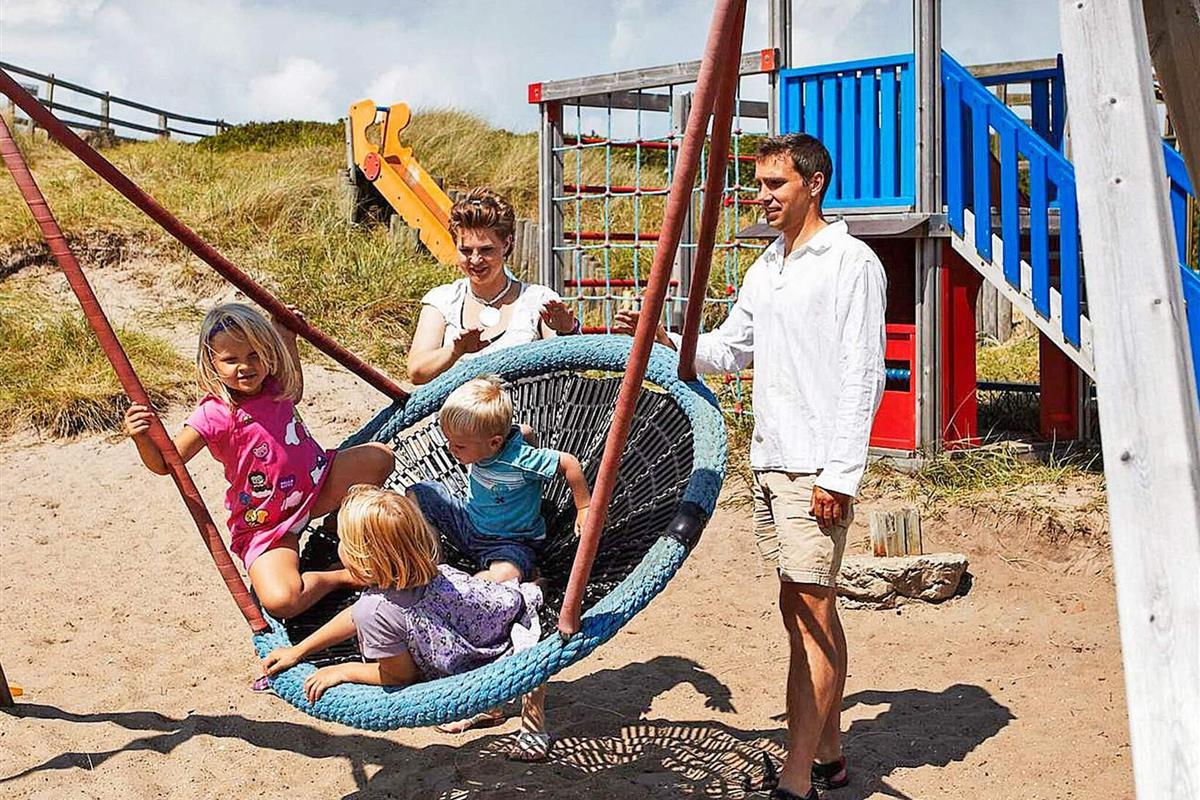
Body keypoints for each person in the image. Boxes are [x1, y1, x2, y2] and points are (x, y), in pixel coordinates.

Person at [614, 133, 887, 800]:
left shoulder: (851, 263)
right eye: (759, 184)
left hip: (815, 466)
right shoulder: (770, 265)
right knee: (802, 610)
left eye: (774, 184)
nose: (761, 196)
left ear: (813, 184)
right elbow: (732, 349)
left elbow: (864, 375)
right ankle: (827, 755)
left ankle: (796, 778)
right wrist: (664, 339)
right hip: (771, 461)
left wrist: (839, 476)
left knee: (812, 616)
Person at [124, 303, 395, 623]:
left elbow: (295, 390)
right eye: (231, 360)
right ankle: (339, 575)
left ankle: (333, 530)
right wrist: (142, 439)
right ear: (212, 363)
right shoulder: (213, 413)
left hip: (316, 487)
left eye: (255, 355)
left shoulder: (274, 385)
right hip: (267, 522)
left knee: (380, 458)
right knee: (283, 600)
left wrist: (287, 335)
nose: (245, 367)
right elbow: (166, 463)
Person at [261, 485, 551, 761]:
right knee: (519, 621)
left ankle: (532, 724)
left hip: (487, 660)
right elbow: (354, 615)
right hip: (497, 616)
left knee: (529, 665)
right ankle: (533, 589)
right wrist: (300, 650)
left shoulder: (376, 611)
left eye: (344, 542)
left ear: (361, 556)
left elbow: (399, 676)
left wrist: (343, 670)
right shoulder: (424, 569)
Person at [408, 374, 592, 585]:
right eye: (449, 441)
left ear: (495, 443)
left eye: (459, 446)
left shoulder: (520, 460)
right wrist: (528, 437)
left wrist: (584, 507)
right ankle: (435, 563)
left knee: (503, 575)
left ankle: (478, 589)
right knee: (419, 493)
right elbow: (525, 430)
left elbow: (569, 463)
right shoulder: (485, 443)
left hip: (510, 542)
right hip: (470, 522)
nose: (451, 449)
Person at [407, 187, 579, 385]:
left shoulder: (537, 300)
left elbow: (573, 367)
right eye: (465, 251)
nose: (475, 260)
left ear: (506, 244)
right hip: (457, 405)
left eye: (486, 250)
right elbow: (416, 372)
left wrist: (567, 333)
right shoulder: (443, 300)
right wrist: (454, 351)